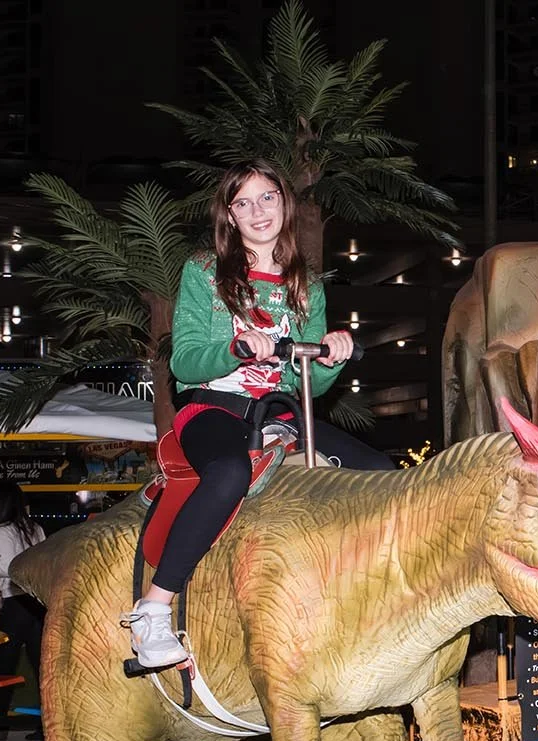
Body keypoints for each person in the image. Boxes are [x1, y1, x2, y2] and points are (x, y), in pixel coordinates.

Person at [123, 158, 392, 668]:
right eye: (242, 202)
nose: (257, 210)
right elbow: (183, 360)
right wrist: (236, 349)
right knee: (227, 471)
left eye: (266, 196)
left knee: (380, 473)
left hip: (282, 412)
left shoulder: (305, 287)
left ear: (284, 203)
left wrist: (329, 356)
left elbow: (301, 382)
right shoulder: (205, 271)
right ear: (229, 215)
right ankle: (154, 610)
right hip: (215, 406)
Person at [0, 483, 47, 680]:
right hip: (36, 601)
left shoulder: (1, 531)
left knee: (6, 662)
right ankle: (47, 709)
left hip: (16, 601)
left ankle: (0, 708)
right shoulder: (35, 528)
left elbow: (8, 568)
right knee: (39, 664)